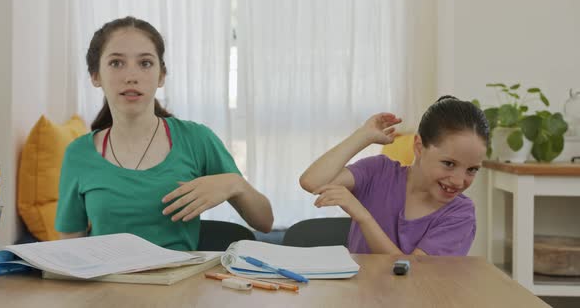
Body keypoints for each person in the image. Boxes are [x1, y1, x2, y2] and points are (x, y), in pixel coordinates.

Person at [55, 16, 273, 250]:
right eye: (116, 63)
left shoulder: (197, 139)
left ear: (161, 76)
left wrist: (234, 184)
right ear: (95, 75)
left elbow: (264, 222)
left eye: (145, 63)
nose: (131, 76)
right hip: (105, 284)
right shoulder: (78, 154)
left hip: (181, 285)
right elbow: (69, 250)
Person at [299, 96, 489, 255]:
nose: (458, 181)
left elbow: (411, 277)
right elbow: (312, 181)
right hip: (358, 296)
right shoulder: (379, 172)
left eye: (472, 169)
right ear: (419, 147)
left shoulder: (460, 214)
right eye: (449, 164)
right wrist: (363, 135)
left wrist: (363, 217)